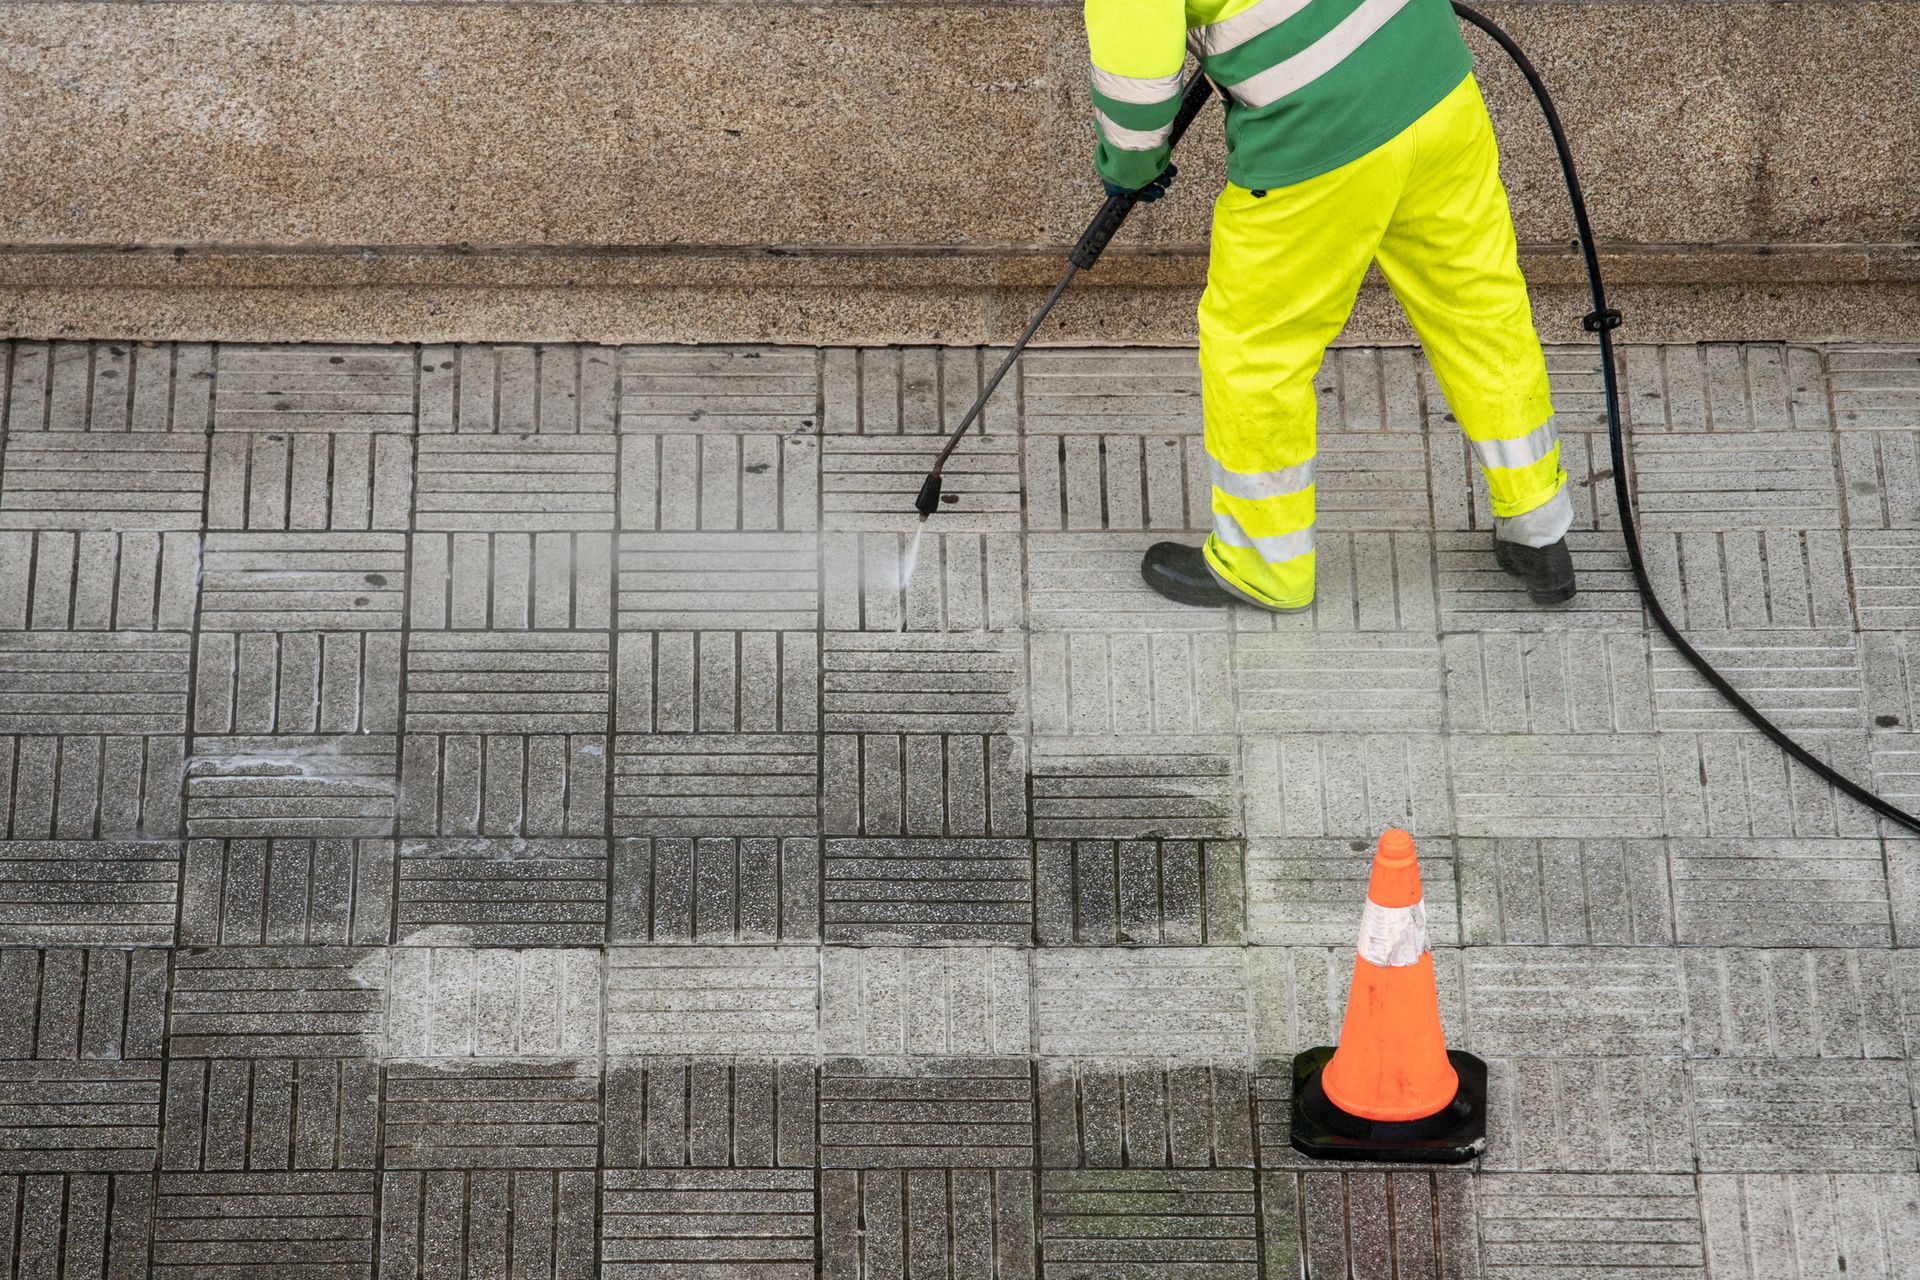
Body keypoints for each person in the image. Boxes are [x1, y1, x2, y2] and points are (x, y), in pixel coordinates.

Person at [1085, 0, 1576, 609]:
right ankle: (1538, 526)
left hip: (1318, 131)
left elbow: (1136, 90)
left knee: (1257, 348)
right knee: (1480, 309)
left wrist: (1131, 164)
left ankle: (1266, 565)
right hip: (1434, 81)